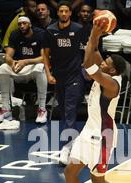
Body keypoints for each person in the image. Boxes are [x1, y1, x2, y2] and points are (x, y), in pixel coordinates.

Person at [60, 18, 129, 183]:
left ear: (113, 69)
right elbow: (95, 55)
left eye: (107, 61)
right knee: (70, 172)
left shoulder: (112, 84)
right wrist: (96, 34)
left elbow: (88, 65)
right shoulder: (107, 72)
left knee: (98, 182)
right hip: (89, 131)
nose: (103, 62)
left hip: (102, 137)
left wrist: (92, 35)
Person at [42, 1, 86, 165]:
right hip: (58, 76)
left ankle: (67, 147)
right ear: (58, 13)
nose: (64, 14)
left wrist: (85, 67)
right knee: (63, 110)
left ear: (70, 13)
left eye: (66, 11)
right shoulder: (50, 30)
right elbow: (45, 54)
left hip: (74, 76)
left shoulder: (78, 29)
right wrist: (48, 74)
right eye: (61, 11)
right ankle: (73, 142)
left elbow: (87, 49)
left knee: (69, 110)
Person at [0, 16, 49, 124]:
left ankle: (42, 109)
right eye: (20, 24)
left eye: (24, 23)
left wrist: (26, 62)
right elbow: (8, 56)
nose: (22, 26)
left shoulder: (40, 34)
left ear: (30, 24)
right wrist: (12, 62)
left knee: (40, 68)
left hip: (33, 65)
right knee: (3, 68)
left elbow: (44, 58)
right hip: (19, 66)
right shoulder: (15, 34)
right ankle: (6, 109)